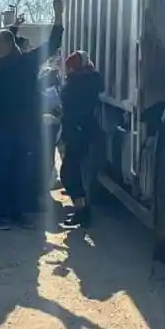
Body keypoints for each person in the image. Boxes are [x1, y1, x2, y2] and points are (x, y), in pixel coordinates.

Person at [0, 0, 65, 230]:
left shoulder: (14, 65)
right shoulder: (1, 66)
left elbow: (53, 42)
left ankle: (14, 212)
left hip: (20, 125)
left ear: (7, 46)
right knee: (5, 171)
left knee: (19, 170)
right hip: (9, 126)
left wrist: (58, 16)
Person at [58, 51, 104, 228]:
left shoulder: (77, 84)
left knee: (69, 173)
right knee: (78, 172)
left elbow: (72, 109)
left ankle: (81, 211)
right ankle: (82, 209)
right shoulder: (90, 80)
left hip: (77, 131)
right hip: (84, 130)